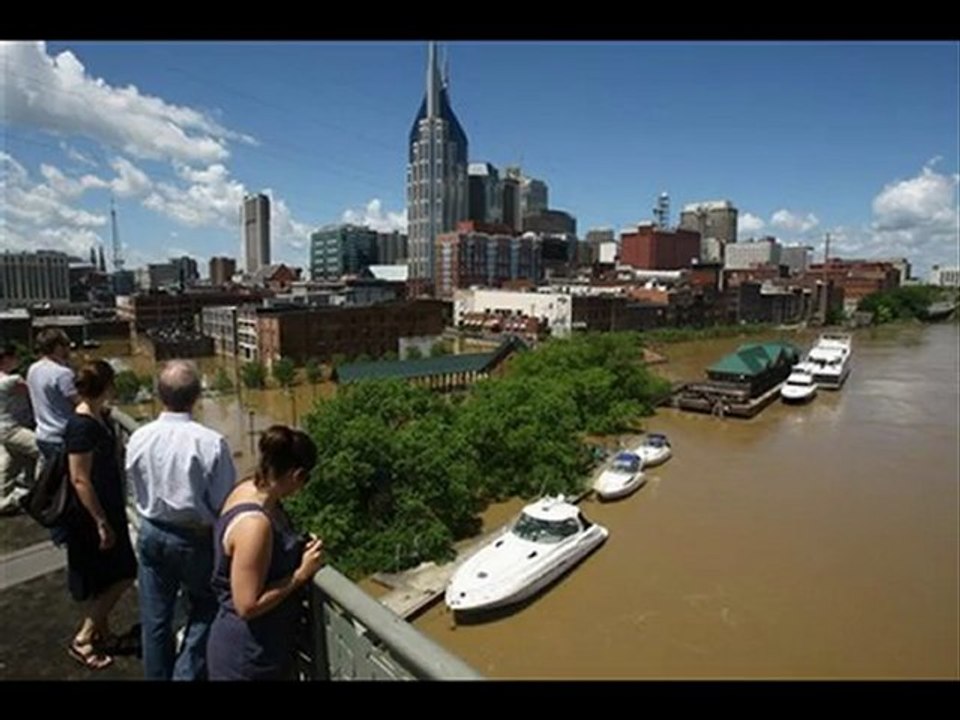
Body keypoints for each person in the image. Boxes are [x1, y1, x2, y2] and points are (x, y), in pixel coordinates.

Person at [126, 360, 236, 681]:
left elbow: (133, 487)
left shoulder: (140, 437)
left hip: (151, 532)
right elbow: (224, 504)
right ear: (197, 396)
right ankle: (186, 674)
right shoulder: (210, 442)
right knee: (210, 603)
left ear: (159, 395)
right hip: (194, 540)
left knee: (155, 618)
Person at [207, 425, 323, 681]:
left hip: (261, 647)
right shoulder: (255, 525)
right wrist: (300, 575)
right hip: (248, 656)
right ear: (297, 474)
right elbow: (247, 605)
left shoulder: (246, 488)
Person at [63, 360, 138, 670]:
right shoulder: (81, 427)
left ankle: (103, 635)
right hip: (93, 514)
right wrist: (101, 522)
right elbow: (80, 479)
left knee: (105, 576)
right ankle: (84, 637)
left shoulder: (94, 417)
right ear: (106, 386)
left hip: (105, 509)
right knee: (123, 573)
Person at [0, 343, 38, 515]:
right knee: (43, 449)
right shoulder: (12, 380)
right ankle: (40, 494)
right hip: (13, 428)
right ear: (6, 359)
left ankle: (3, 500)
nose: (18, 360)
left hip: (3, 429)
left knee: (12, 462)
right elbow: (34, 391)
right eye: (14, 357)